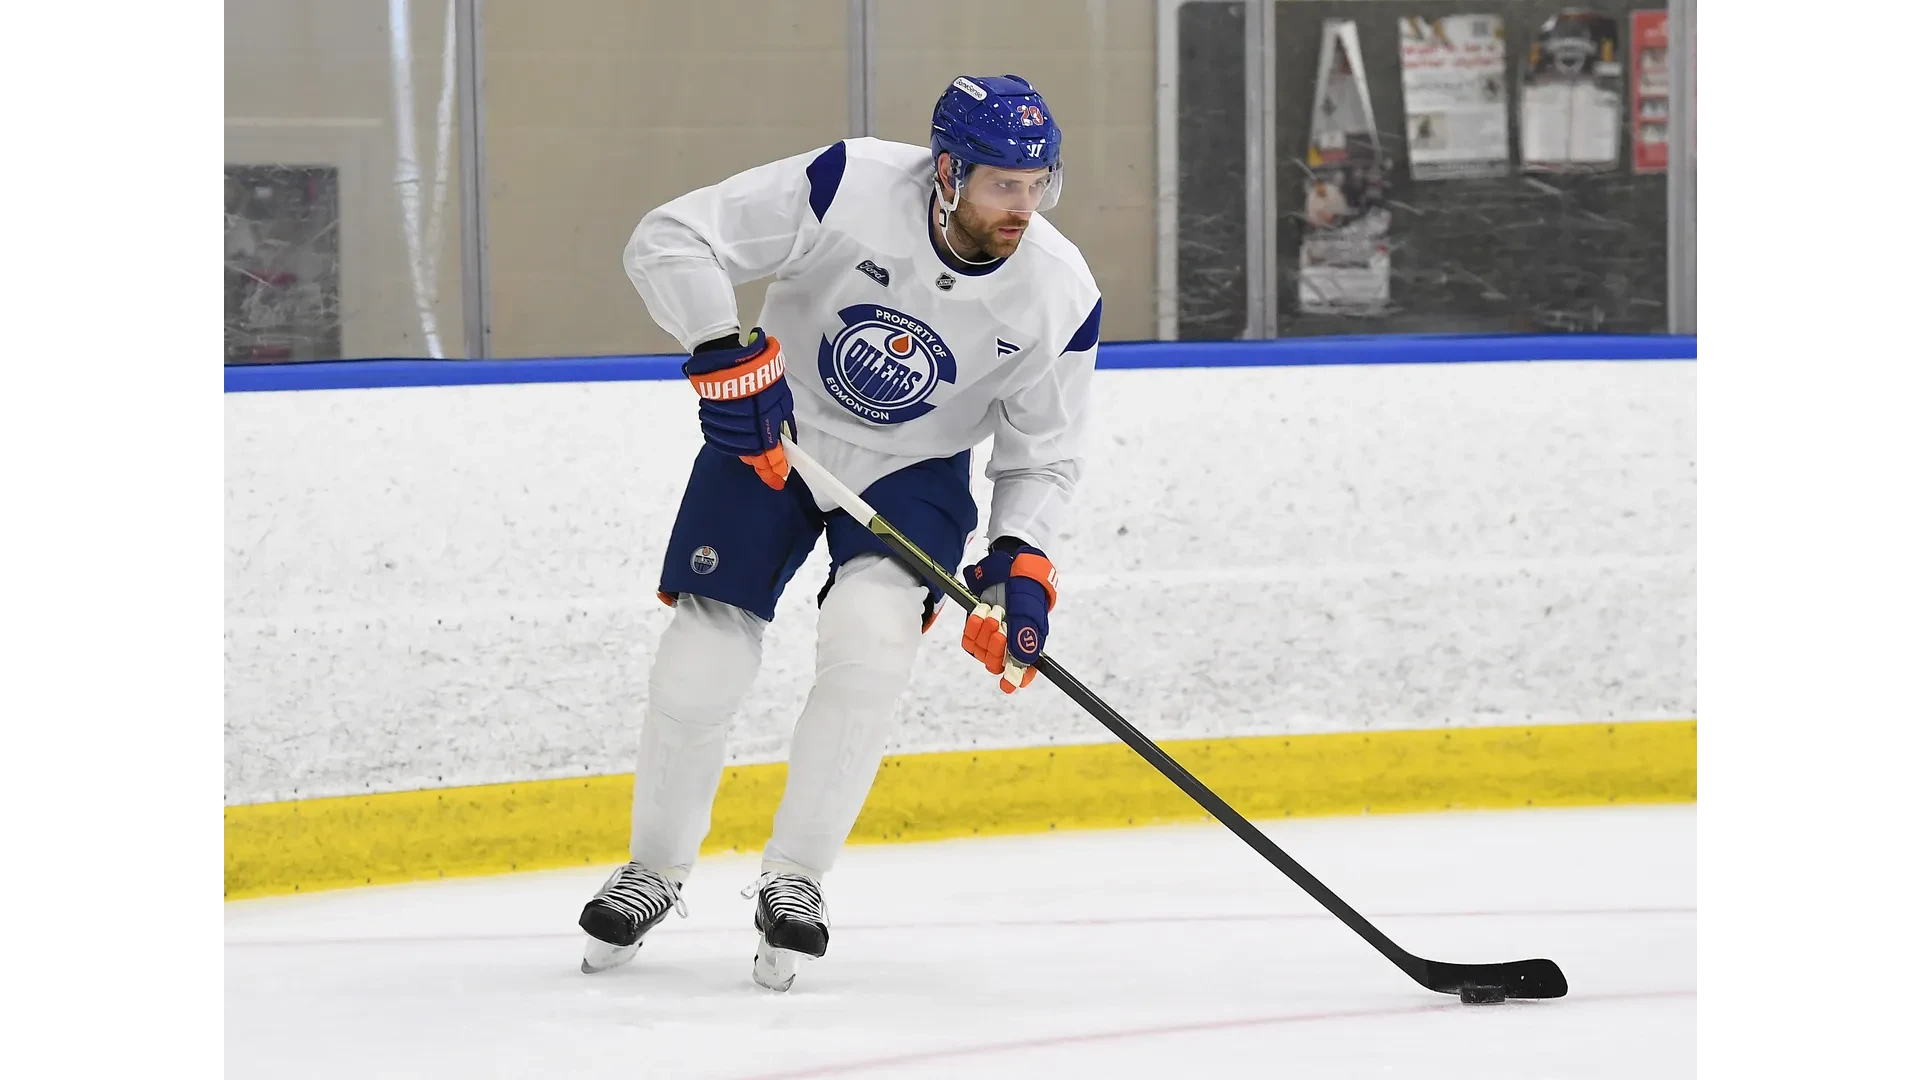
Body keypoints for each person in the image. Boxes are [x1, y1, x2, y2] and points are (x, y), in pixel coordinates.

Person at [576, 74, 1101, 991]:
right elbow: (669, 237)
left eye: (1038, 184)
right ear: (947, 173)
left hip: (915, 471)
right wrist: (720, 350)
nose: (1024, 206)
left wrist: (1021, 558)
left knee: (870, 648)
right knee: (702, 657)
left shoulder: (1059, 292)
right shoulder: (850, 182)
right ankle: (653, 870)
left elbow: (1043, 456)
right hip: (776, 437)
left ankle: (797, 878)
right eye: (1002, 185)